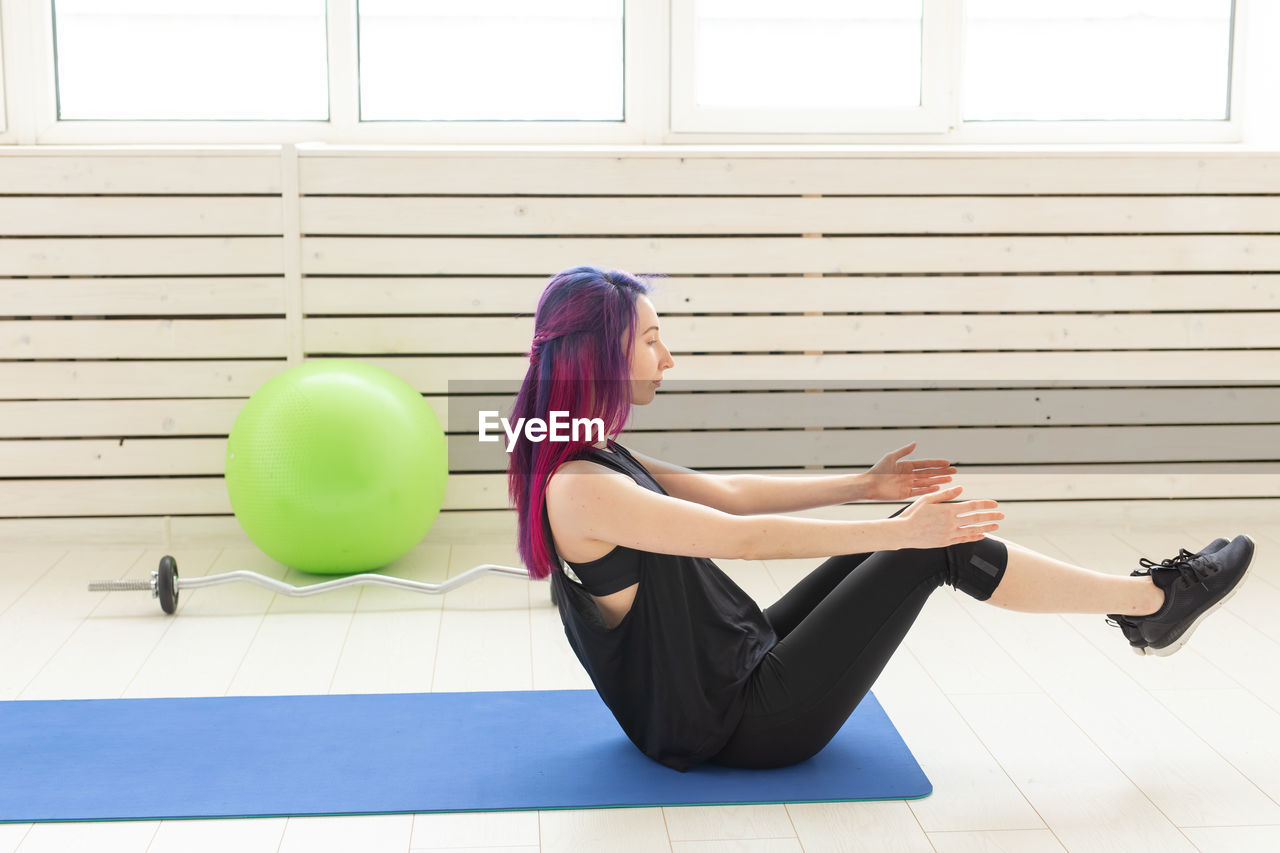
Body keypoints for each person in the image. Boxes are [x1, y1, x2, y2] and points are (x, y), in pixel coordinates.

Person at [505, 265, 1256, 773]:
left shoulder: (585, 453)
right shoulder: (578, 487)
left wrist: (864, 488)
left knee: (911, 531)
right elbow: (741, 538)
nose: (668, 356)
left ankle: (1150, 607)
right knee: (930, 548)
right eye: (651, 338)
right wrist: (903, 533)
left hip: (724, 673)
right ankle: (1154, 604)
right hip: (735, 723)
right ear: (603, 352)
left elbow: (728, 494)